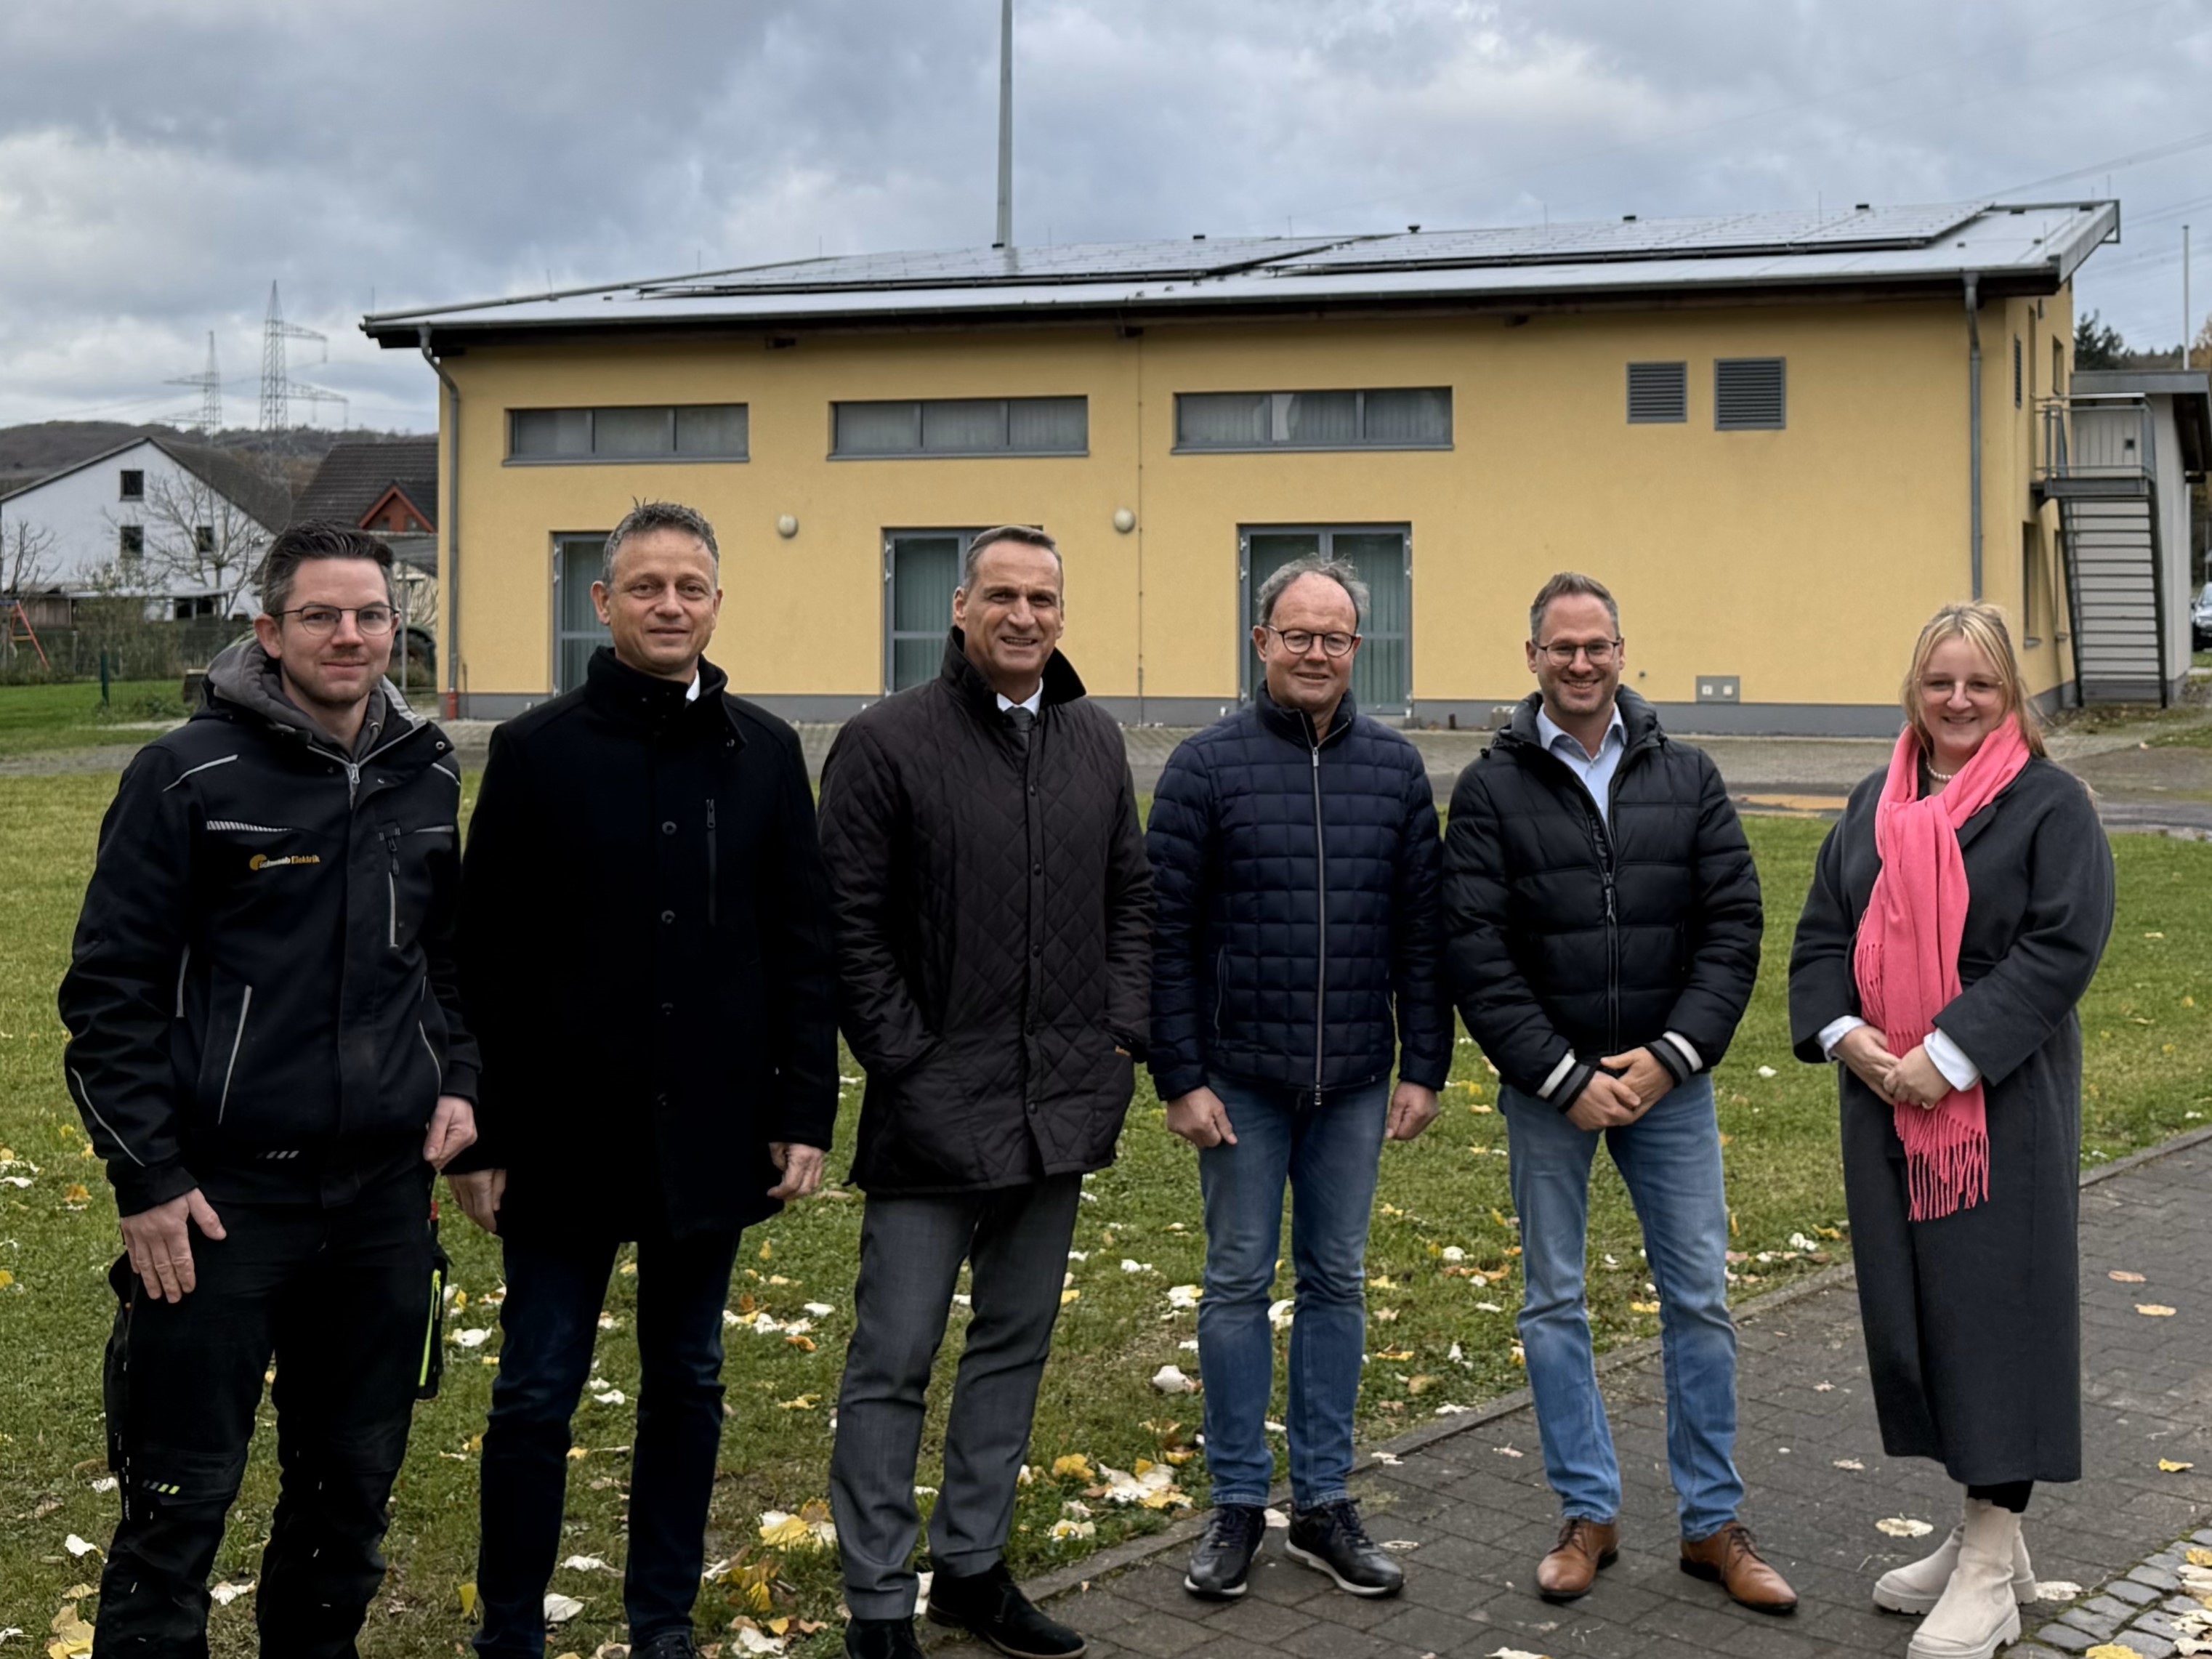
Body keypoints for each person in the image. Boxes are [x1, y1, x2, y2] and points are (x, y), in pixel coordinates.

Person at [57, 522, 480, 1658]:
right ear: (267, 631)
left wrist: (460, 1082)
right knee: (178, 1507)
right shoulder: (186, 774)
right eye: (321, 616)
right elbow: (107, 996)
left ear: (397, 629)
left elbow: (444, 961)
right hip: (218, 1209)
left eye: (371, 615)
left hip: (385, 1205)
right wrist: (146, 1179)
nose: (350, 635)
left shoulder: (425, 772)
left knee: (350, 1499)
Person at [448, 501, 839, 1659]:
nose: (670, 605)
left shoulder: (765, 752)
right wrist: (481, 1138)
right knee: (534, 1393)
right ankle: (509, 1631)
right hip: (564, 1139)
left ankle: (659, 1619)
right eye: (646, 587)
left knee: (690, 1377)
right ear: (601, 603)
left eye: (692, 587)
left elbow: (802, 944)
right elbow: (485, 959)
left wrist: (801, 1109)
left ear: (717, 603)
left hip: (711, 1135)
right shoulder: (535, 752)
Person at [818, 525, 1151, 1659]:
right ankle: (876, 1600)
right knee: (894, 1358)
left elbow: (1131, 906)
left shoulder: (1095, 740)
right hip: (928, 1113)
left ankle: (970, 1567)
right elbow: (847, 929)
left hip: (1058, 1107)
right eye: (1001, 595)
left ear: (1063, 614)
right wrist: (907, 1062)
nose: (1024, 616)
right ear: (958, 607)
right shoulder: (884, 743)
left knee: (1013, 1345)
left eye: (1043, 598)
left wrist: (1116, 1045)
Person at [1443, 571, 1794, 1614]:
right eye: (1563, 648)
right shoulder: (1491, 786)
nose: (1582, 664)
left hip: (1668, 1084)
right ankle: (1586, 1513)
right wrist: (1559, 1076)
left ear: (1622, 652)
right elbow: (1475, 948)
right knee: (1553, 1301)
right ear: (1533, 659)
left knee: (1700, 1299)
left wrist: (1671, 1055)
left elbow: (1733, 926)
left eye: (1598, 647)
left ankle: (1711, 1525)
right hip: (1549, 1089)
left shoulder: (1685, 775)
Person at [1788, 602, 2112, 1659]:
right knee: (1919, 1314)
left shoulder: (2049, 805)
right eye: (1941, 683)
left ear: (2010, 692)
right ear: (1913, 693)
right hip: (1885, 1096)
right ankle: (1986, 1530)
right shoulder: (1872, 804)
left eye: (1980, 683)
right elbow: (1824, 933)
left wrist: (1949, 1051)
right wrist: (1850, 1038)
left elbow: (2062, 948)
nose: (1959, 701)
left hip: (1996, 1100)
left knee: (1996, 1313)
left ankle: (1989, 1565)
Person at [1145, 554, 1450, 1603]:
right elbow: (1163, 935)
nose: (1315, 652)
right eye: (1297, 633)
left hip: (1359, 1078)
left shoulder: (1398, 771)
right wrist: (1180, 1075)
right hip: (1241, 1082)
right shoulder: (1204, 766)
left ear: (1357, 649)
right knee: (1236, 1284)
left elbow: (1422, 929)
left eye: (1335, 636)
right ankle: (1235, 1503)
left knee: (1337, 1282)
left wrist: (1427, 1064)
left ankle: (1322, 1502)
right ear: (1261, 641)